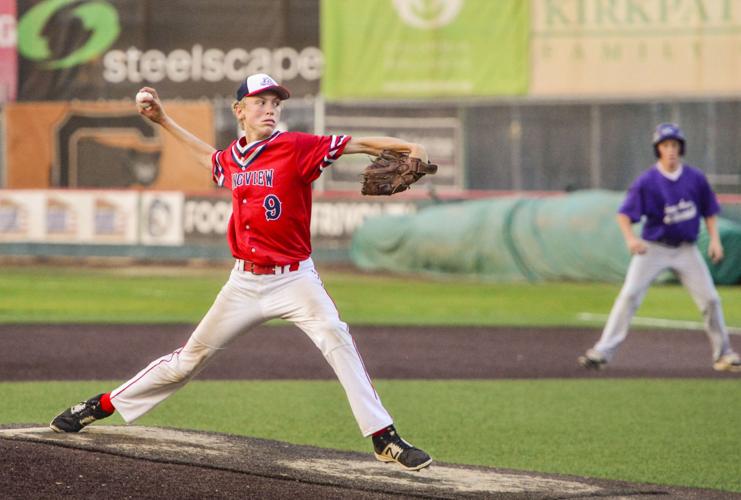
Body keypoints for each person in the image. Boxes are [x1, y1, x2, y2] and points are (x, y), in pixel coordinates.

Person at [50, 73, 433, 471]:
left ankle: (383, 436)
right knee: (187, 361)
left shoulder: (296, 146)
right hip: (245, 282)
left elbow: (360, 144)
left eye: (275, 103)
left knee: (335, 335)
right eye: (260, 102)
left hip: (295, 278)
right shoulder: (234, 157)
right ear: (240, 111)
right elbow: (211, 160)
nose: (269, 109)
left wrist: (409, 147)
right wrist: (162, 119)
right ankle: (103, 404)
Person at [578, 123, 740, 372]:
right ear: (658, 150)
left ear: (681, 148)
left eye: (675, 145)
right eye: (665, 145)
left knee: (710, 299)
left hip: (687, 250)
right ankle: (601, 352)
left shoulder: (695, 178)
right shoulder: (647, 182)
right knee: (630, 295)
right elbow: (624, 215)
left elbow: (709, 211)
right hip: (654, 249)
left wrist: (715, 240)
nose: (671, 150)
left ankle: (723, 354)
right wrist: (631, 239)